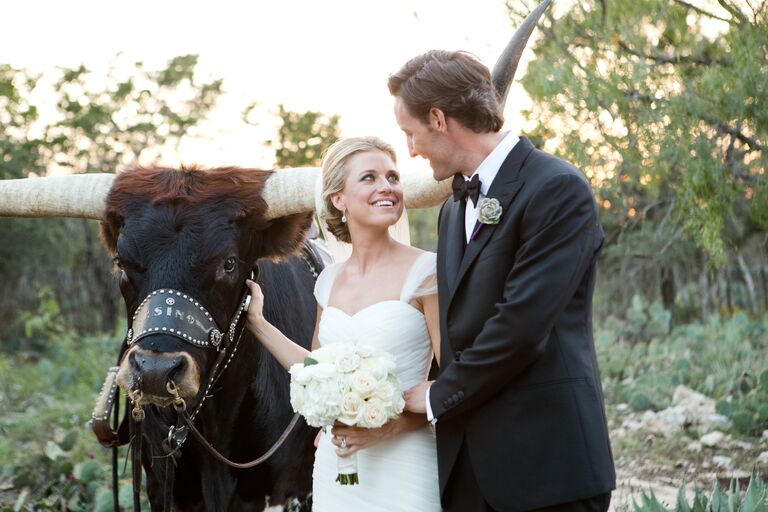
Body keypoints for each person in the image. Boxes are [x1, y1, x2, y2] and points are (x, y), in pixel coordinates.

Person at [391, 50, 616, 511]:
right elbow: (455, 330)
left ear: (438, 119)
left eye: (409, 134)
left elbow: (522, 326)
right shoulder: (453, 207)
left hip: (547, 466)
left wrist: (438, 395)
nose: (410, 150)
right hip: (467, 471)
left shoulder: (556, 188)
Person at [245, 136, 442, 511]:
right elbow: (317, 369)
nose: (387, 187)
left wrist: (390, 426)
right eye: (369, 178)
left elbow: (456, 382)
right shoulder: (328, 281)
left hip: (406, 465)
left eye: (393, 177)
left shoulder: (426, 272)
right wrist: (258, 322)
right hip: (337, 468)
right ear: (338, 199)